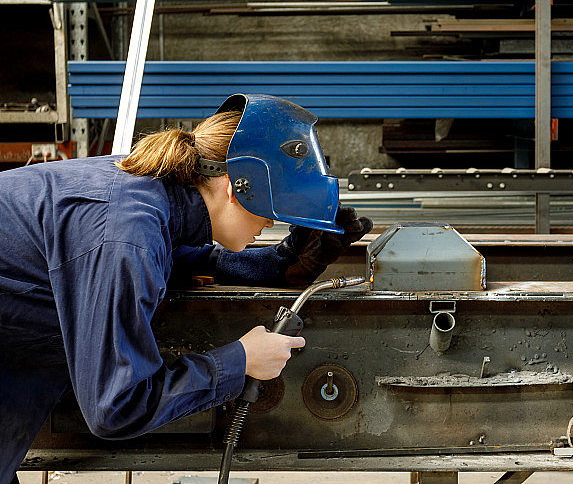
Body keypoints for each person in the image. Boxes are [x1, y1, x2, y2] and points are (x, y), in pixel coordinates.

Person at [0, 94, 372, 483]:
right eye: (270, 212)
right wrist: (241, 360)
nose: (268, 224)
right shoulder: (128, 233)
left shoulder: (151, 197)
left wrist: (283, 263)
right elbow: (116, 406)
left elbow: (187, 259)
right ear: (235, 188)